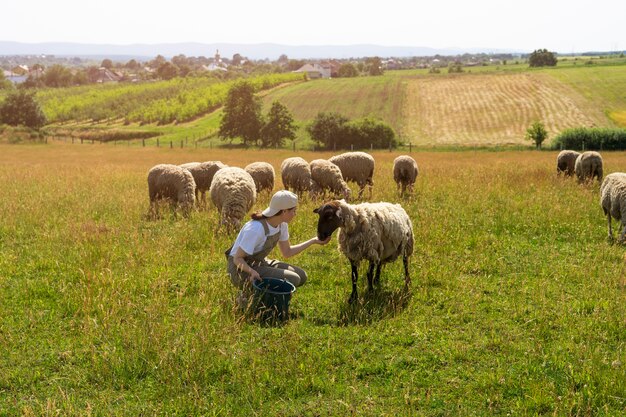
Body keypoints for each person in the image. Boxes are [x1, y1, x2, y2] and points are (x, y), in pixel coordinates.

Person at [225, 190, 330, 306]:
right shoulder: (256, 229)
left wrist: (313, 241)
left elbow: (287, 252)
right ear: (284, 211)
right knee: (294, 279)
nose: (295, 214)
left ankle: (264, 297)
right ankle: (251, 298)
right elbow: (237, 259)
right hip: (240, 269)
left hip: (258, 263)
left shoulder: (281, 224)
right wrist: (252, 272)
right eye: (294, 211)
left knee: (302, 276)